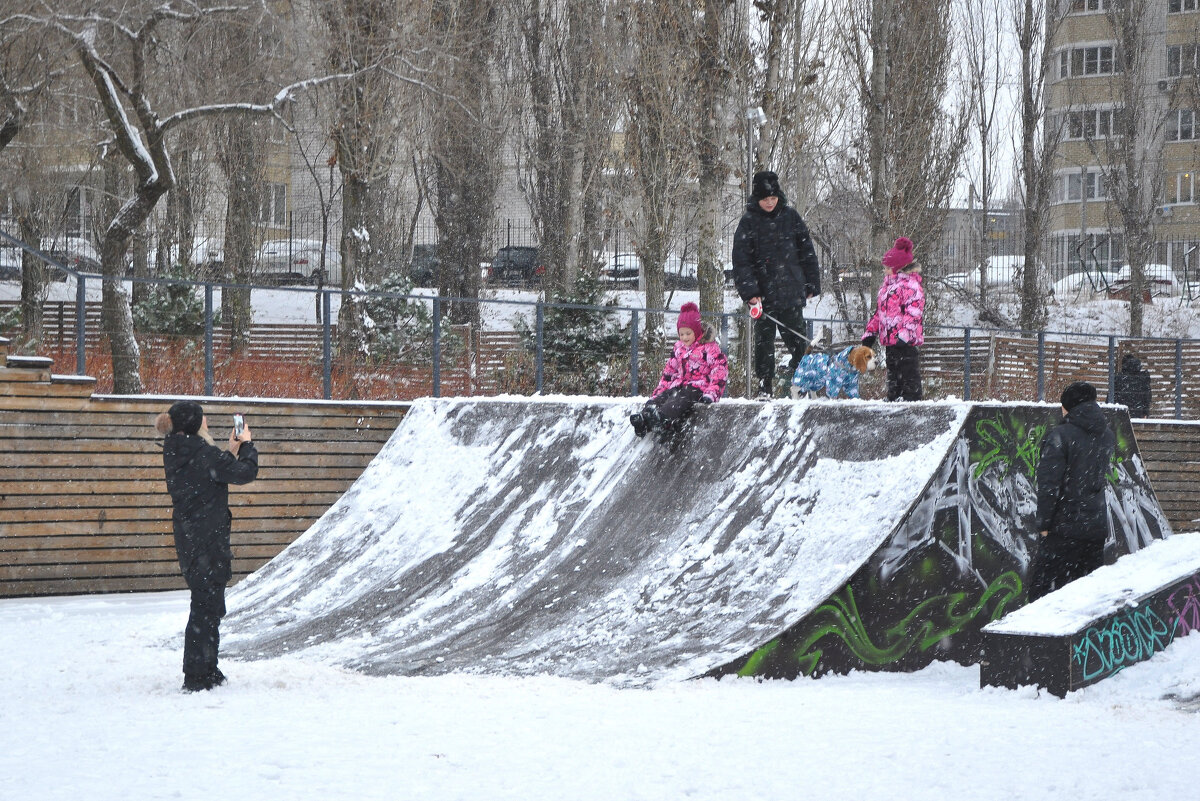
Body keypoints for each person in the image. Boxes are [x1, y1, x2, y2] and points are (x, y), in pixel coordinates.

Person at [156, 401, 259, 692]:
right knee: (206, 608)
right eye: (204, 422)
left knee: (207, 605)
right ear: (194, 425)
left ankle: (207, 668)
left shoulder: (178, 450)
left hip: (190, 539)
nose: (208, 426)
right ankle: (197, 675)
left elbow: (210, 474)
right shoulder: (203, 454)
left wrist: (229, 452)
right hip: (208, 541)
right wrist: (247, 446)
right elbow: (245, 473)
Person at [731, 170, 821, 398]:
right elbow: (741, 261)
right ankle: (764, 385)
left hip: (790, 290)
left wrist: (811, 283)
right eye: (765, 199)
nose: (770, 203)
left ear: (778, 196)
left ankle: (803, 382)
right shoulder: (748, 222)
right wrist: (750, 292)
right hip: (762, 296)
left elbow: (807, 252)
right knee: (764, 343)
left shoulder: (791, 217)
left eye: (773, 198)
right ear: (757, 199)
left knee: (797, 340)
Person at [1027, 381, 1116, 601]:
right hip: (1095, 528)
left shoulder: (1060, 436)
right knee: (1085, 599)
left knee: (1041, 596)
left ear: (1069, 406)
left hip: (1064, 529)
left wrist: (1044, 525)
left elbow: (1049, 485)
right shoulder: (1106, 435)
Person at [630, 302, 728, 437]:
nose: (684, 337)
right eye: (681, 334)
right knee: (667, 395)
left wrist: (711, 393)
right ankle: (645, 419)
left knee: (682, 397)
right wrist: (658, 394)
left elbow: (720, 372)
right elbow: (669, 373)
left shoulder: (709, 348)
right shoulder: (678, 348)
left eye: (688, 333)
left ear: (697, 332)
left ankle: (663, 418)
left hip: (699, 388)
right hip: (680, 385)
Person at [861, 236, 925, 401]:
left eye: (888, 268)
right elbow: (879, 314)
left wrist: (904, 335)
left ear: (898, 268)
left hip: (906, 342)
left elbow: (914, 314)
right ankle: (894, 396)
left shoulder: (911, 287)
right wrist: (870, 332)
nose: (885, 271)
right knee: (893, 371)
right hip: (890, 341)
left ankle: (911, 398)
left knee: (908, 371)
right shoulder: (886, 288)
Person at [1112, 354, 1151, 418]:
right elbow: (1147, 398)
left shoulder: (1119, 378)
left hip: (1121, 415)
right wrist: (1145, 413)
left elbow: (1111, 398)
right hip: (1138, 414)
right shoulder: (1143, 378)